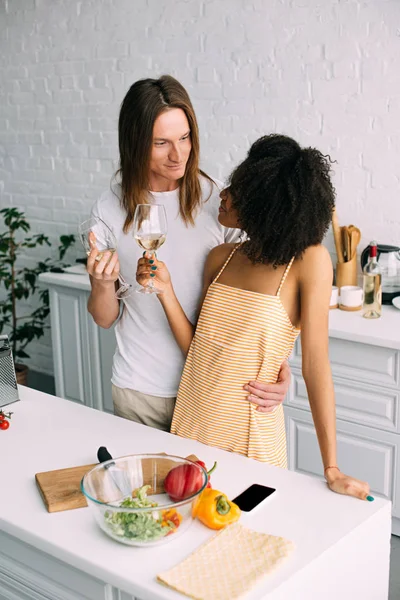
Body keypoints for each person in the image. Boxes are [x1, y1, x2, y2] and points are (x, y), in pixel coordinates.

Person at [136, 133, 372, 501]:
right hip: (193, 424)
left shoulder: (308, 262)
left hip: (250, 438)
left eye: (239, 189)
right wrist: (165, 291)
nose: (224, 194)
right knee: (184, 536)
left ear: (266, 204)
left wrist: (331, 468)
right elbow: (199, 349)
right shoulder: (221, 256)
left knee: (248, 543)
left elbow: (315, 365)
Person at [86, 75, 290, 432]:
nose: (178, 154)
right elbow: (105, 318)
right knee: (143, 491)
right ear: (135, 144)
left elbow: (256, 299)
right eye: (161, 143)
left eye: (185, 138)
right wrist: (102, 284)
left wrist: (279, 368)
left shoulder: (220, 205)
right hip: (139, 391)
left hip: (212, 391)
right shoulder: (109, 208)